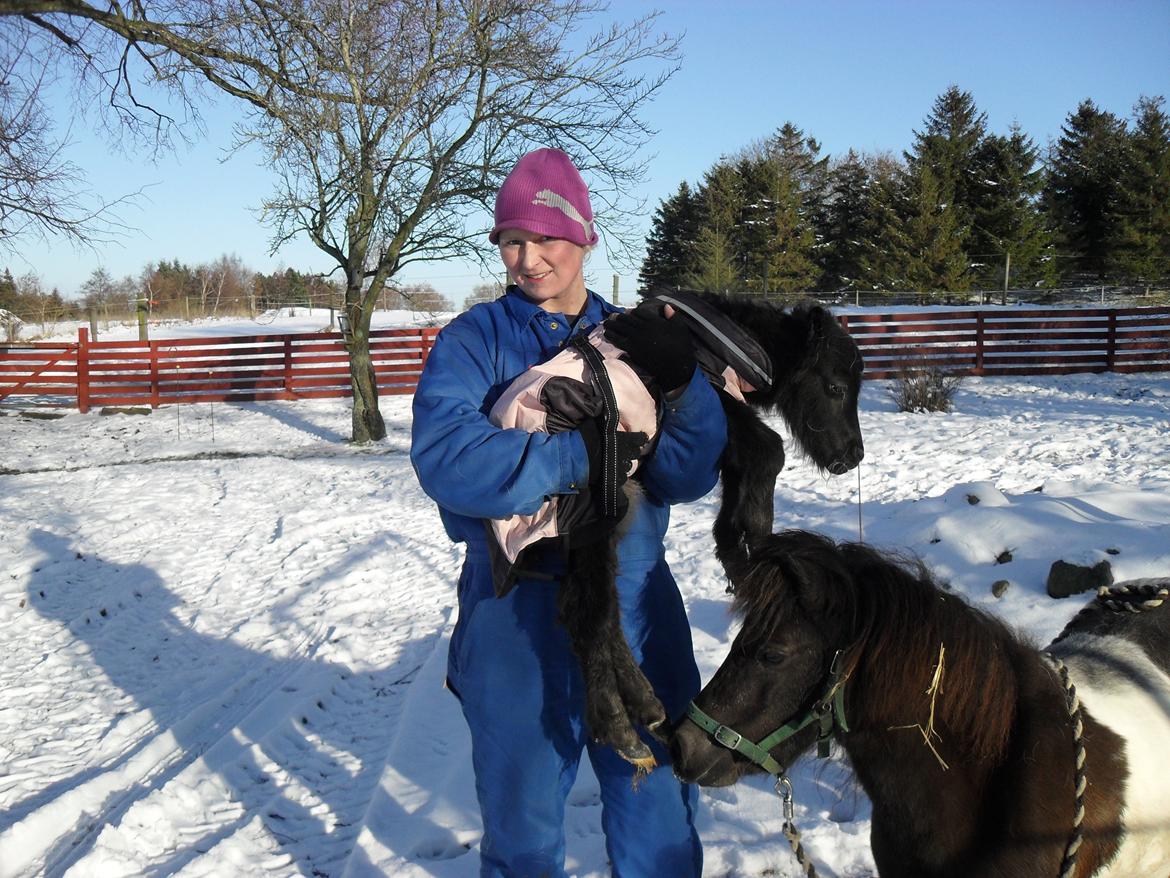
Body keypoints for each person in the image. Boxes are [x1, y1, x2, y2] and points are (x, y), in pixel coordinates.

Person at [410, 147, 727, 878]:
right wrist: (587, 459)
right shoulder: (474, 341)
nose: (528, 259)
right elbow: (448, 460)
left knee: (659, 816)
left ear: (583, 236)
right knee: (522, 834)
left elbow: (684, 476)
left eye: (545, 239)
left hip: (635, 603)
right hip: (515, 611)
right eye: (512, 241)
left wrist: (683, 389)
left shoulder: (636, 340)